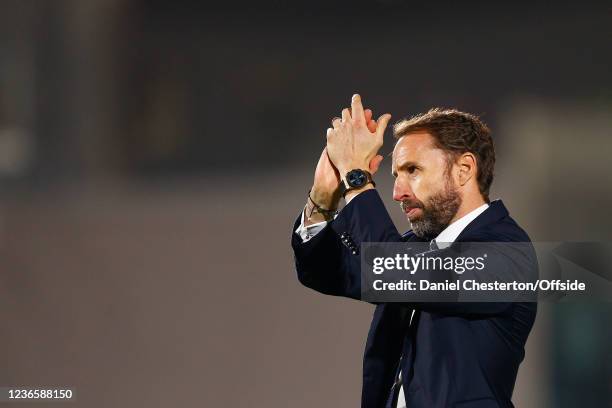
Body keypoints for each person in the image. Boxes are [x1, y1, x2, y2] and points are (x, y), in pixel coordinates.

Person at [290, 94, 537, 408]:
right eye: (395, 175)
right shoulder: (415, 249)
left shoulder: (508, 253)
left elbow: (393, 269)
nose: (397, 192)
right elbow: (321, 271)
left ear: (464, 169)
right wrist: (323, 195)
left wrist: (357, 175)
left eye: (413, 170)